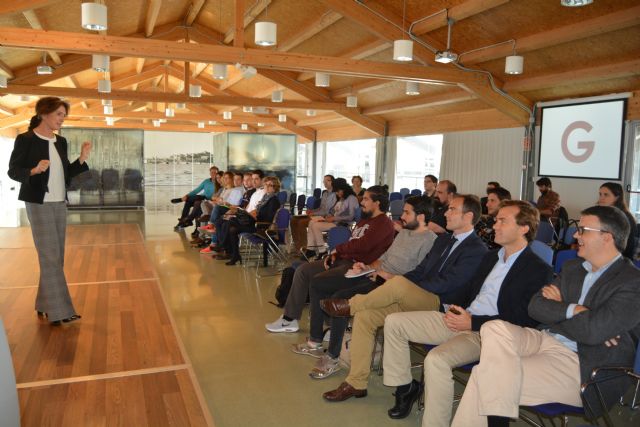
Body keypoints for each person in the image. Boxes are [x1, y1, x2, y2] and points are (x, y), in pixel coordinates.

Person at [452, 205, 640, 427]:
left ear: (606, 237)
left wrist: (560, 307)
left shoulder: (631, 281)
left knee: (484, 376)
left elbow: (592, 333)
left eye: (583, 230)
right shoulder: (573, 267)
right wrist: (576, 311)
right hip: (543, 338)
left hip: (581, 362)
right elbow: (535, 307)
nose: (575, 235)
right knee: (492, 327)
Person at [382, 200, 552, 426]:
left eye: (502, 221)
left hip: (488, 334)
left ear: (524, 228)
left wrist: (473, 322)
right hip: (463, 318)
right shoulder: (491, 257)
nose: (494, 226)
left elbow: (524, 319)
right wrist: (454, 309)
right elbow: (469, 291)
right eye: (496, 220)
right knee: (394, 322)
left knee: (436, 360)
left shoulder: (537, 269)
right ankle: (405, 388)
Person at [319, 195, 487, 402]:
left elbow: (449, 283)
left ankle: (350, 305)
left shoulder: (477, 250)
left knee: (398, 283)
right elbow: (420, 271)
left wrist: (408, 287)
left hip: (441, 305)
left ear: (468, 216)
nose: (445, 213)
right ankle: (356, 383)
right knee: (365, 317)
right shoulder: (444, 240)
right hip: (419, 298)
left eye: (452, 209)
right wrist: (407, 285)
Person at [293, 196, 437, 379]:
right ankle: (317, 341)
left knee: (339, 298)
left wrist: (386, 275)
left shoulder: (430, 241)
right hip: (376, 276)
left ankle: (333, 357)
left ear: (421, 217)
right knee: (319, 284)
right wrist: (367, 267)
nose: (402, 216)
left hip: (393, 286)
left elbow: (419, 276)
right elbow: (384, 258)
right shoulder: (404, 233)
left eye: (407, 213)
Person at [265, 185, 395, 334]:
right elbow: (351, 243)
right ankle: (289, 319)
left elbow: (364, 245)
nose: (361, 202)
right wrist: (333, 255)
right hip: (343, 260)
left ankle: (328, 327)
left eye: (366, 199)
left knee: (320, 280)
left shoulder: (384, 223)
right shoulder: (364, 220)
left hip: (358, 268)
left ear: (377, 203)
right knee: (303, 270)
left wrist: (338, 250)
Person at [8, 96, 91, 325]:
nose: (62, 119)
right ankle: (60, 311)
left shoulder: (60, 142)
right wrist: (33, 171)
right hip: (39, 202)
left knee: (56, 257)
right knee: (50, 256)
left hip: (59, 202)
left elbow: (65, 173)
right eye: (58, 114)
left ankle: (44, 304)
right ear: (44, 114)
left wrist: (82, 158)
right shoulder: (26, 139)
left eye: (64, 115)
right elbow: (13, 171)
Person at [220, 176, 282, 266]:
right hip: (254, 222)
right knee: (232, 228)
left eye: (270, 185)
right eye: (266, 185)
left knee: (231, 222)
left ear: (275, 187)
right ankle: (235, 255)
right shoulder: (266, 197)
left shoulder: (274, 200)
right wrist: (252, 214)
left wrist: (255, 216)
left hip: (261, 227)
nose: (267, 187)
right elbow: (259, 211)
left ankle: (223, 246)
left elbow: (268, 219)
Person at [304, 178, 359, 259]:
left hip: (342, 224)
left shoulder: (351, 198)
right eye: (336, 191)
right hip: (334, 221)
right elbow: (333, 211)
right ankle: (311, 249)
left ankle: (322, 251)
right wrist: (329, 215)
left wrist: (334, 218)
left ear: (343, 188)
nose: (337, 193)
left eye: (338, 191)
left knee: (316, 226)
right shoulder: (341, 197)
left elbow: (351, 216)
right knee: (311, 222)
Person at [290, 175, 337, 253]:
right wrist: (312, 211)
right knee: (294, 220)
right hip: (318, 214)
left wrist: (314, 213)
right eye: (324, 180)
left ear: (333, 182)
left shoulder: (335, 195)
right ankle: (297, 246)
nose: (325, 182)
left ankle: (305, 246)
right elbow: (321, 208)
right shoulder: (325, 193)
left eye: (328, 180)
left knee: (301, 222)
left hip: (324, 217)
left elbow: (326, 211)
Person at [597, 182, 637, 259]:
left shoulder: (623, 217)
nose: (601, 198)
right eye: (600, 194)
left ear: (617, 197)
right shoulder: (605, 213)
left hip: (620, 258)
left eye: (606, 195)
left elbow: (618, 245)